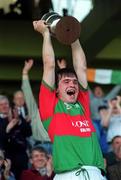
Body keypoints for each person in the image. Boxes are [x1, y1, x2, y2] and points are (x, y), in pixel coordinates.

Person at [33, 20, 106, 180]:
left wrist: (72, 35)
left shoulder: (83, 105)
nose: (72, 84)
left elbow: (81, 67)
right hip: (68, 175)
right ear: (56, 90)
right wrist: (46, 34)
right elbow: (49, 65)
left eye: (74, 82)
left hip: (95, 174)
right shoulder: (50, 108)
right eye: (66, 81)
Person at [21, 59, 52, 154]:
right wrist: (25, 73)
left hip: (57, 146)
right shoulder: (35, 111)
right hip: (39, 147)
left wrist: (62, 70)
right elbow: (28, 94)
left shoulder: (58, 109)